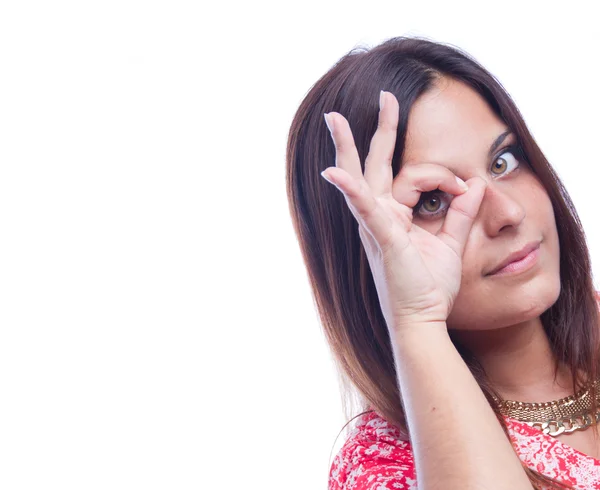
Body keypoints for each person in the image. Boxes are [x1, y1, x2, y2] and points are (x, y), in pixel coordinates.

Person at [285, 36, 600, 489]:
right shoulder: (382, 467)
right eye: (434, 201)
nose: (507, 214)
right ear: (369, 252)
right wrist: (416, 318)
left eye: (503, 161)